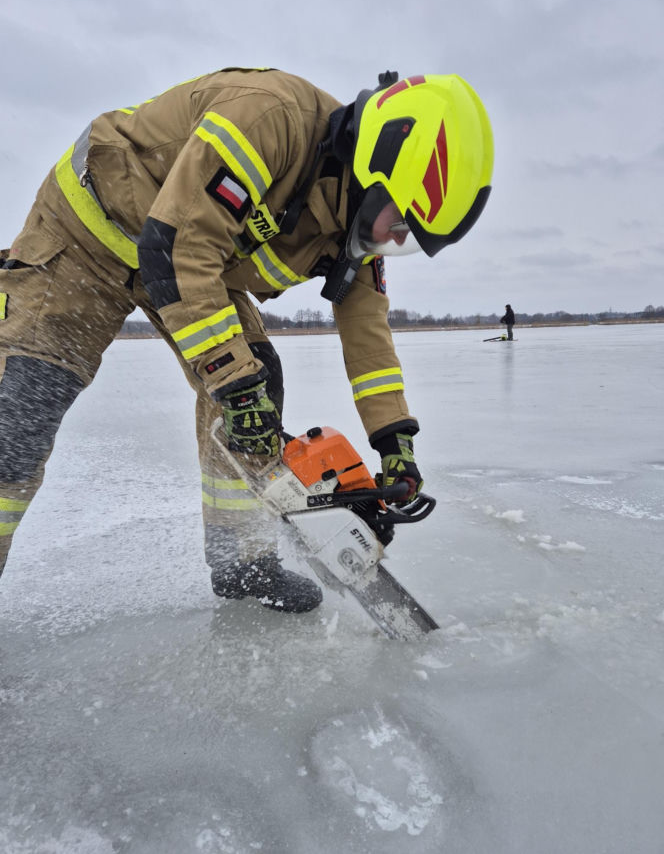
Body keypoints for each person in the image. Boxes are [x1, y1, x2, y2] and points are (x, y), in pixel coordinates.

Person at [0, 68, 494, 613]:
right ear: (373, 168)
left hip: (189, 261)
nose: (393, 240)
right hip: (91, 232)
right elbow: (177, 247)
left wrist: (394, 441)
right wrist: (235, 387)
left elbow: (368, 332)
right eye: (398, 223)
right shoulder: (270, 119)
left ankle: (242, 564)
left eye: (406, 240)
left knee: (258, 376)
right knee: (22, 407)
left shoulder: (354, 220)